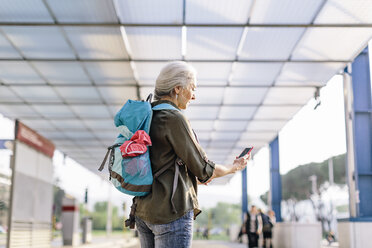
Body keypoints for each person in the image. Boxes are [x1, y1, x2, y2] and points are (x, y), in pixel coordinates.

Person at [133, 61, 250, 248]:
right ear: (177, 88)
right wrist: (233, 167)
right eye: (192, 88)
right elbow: (204, 169)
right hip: (171, 213)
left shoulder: (147, 116)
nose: (194, 96)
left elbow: (161, 164)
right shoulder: (174, 118)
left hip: (143, 211)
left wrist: (192, 178)